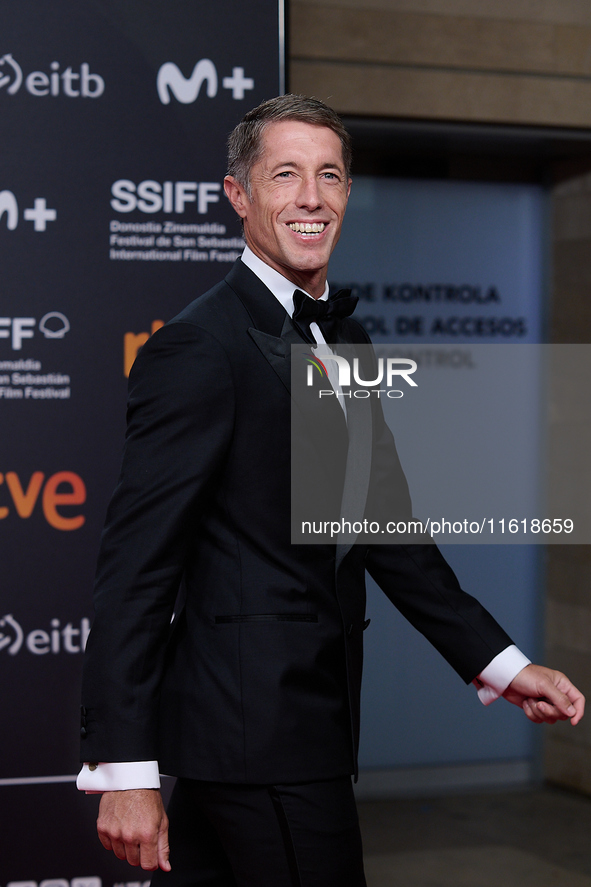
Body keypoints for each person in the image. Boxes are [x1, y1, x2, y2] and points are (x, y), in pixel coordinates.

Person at [78, 95, 584, 887]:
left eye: (330, 176)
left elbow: (385, 526)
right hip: (260, 737)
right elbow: (134, 568)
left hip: (296, 722)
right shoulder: (197, 347)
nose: (311, 197)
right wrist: (125, 769)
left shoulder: (344, 337)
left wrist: (501, 662)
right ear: (239, 195)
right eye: (285, 174)